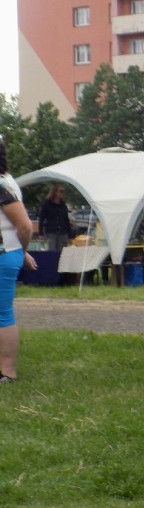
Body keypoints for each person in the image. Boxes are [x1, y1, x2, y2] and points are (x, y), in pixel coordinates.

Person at [0, 142, 37, 384]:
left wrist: (21, 251)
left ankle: (7, 372)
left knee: (2, 314)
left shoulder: (2, 186)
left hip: (4, 254)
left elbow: (24, 226)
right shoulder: (7, 181)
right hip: (9, 252)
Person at [38, 184, 73, 250]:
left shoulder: (63, 205)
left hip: (63, 233)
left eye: (64, 191)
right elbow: (41, 219)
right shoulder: (46, 204)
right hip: (51, 233)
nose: (63, 193)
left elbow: (66, 220)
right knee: (51, 252)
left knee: (62, 253)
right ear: (55, 192)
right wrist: (40, 233)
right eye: (61, 191)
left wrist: (70, 235)